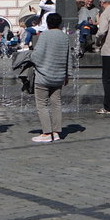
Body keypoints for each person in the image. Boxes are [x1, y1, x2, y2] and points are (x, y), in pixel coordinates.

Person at [31, 12, 73, 143]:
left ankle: (47, 133)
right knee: (56, 104)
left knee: (42, 104)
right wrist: (68, 74)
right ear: (59, 23)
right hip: (59, 76)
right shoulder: (65, 37)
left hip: (43, 76)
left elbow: (36, 56)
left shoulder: (44, 36)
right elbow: (68, 57)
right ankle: (57, 132)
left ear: (47, 23)